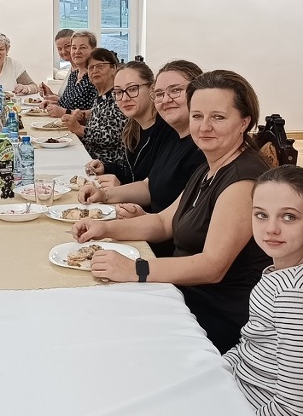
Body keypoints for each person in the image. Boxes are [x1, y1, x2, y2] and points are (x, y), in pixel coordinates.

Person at [73, 70, 272, 352]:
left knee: (103, 329)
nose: (204, 127)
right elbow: (163, 222)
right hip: (184, 293)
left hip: (213, 315)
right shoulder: (211, 165)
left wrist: (135, 269)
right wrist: (104, 229)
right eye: (197, 116)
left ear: (244, 122)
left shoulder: (243, 181)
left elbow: (212, 267)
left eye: (218, 117)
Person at [223, 165, 303, 416]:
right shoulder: (283, 273)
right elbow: (250, 346)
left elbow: (292, 409)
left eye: (288, 217)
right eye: (261, 215)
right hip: (238, 391)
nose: (271, 228)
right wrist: (217, 368)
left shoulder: (297, 297)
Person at [78, 60, 207, 256]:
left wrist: (144, 217)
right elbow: (148, 185)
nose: (166, 100)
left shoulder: (200, 148)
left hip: (166, 251)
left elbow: (179, 226)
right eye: (161, 94)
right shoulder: (176, 137)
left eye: (175, 91)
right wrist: (104, 194)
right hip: (152, 234)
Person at [84, 60, 157, 186]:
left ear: (152, 88)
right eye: (118, 92)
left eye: (132, 89)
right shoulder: (133, 128)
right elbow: (131, 174)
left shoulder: (165, 132)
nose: (124, 98)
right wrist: (106, 168)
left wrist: (120, 188)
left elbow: (157, 190)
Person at [63, 48, 131, 184]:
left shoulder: (119, 97)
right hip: (91, 160)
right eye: (91, 68)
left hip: (108, 168)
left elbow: (111, 136)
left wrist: (79, 129)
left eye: (100, 66)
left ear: (114, 68)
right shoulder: (100, 96)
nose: (94, 71)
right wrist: (82, 118)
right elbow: (100, 123)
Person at [44, 30, 99, 118]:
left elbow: (100, 113)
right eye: (74, 47)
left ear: (94, 50)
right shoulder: (74, 75)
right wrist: (51, 103)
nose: (77, 51)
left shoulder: (96, 77)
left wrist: (66, 112)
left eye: (83, 47)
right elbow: (66, 103)